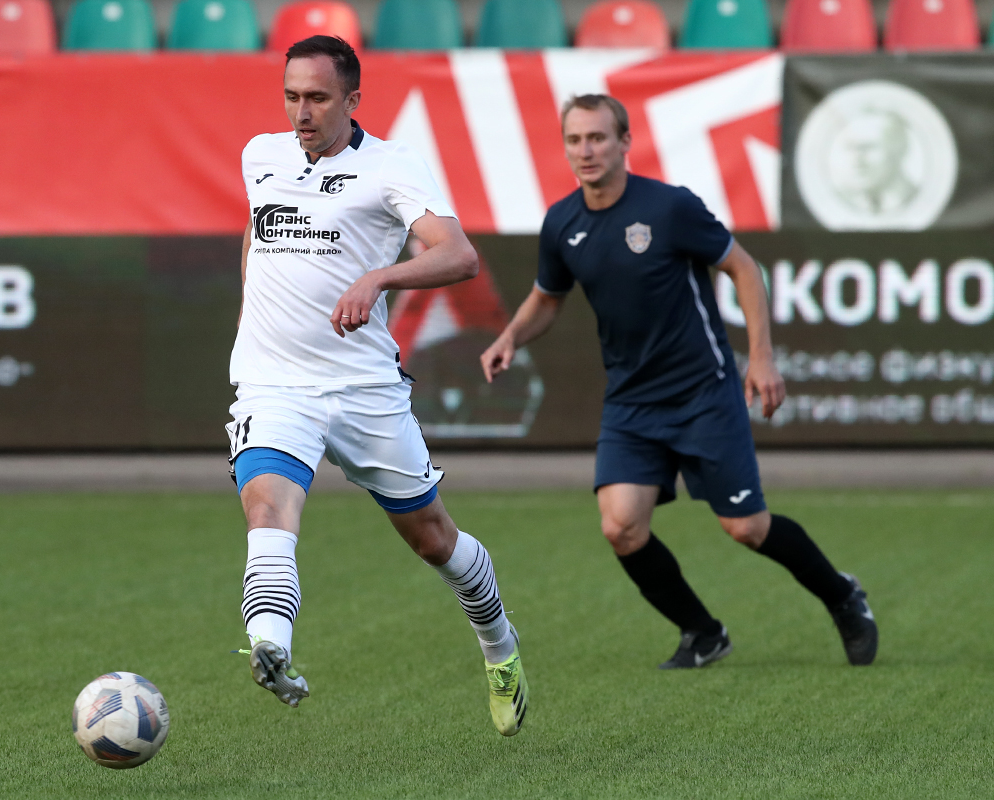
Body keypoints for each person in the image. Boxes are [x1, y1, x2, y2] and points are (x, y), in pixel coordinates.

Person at [480, 94, 878, 669]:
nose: (586, 150)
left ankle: (842, 595)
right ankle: (703, 633)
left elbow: (743, 267)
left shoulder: (670, 208)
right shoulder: (562, 222)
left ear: (625, 142)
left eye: (598, 138)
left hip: (702, 393)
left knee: (746, 527)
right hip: (631, 402)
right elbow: (548, 296)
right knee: (621, 527)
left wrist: (761, 357)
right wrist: (511, 338)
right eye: (575, 140)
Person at [227, 35, 527, 734]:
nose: (302, 112)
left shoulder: (391, 166)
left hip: (363, 389)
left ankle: (499, 643)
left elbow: (459, 255)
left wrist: (379, 277)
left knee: (433, 540)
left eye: (318, 98)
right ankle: (271, 646)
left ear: (353, 99)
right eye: (292, 97)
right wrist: (252, 310)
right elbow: (257, 229)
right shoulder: (261, 155)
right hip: (275, 385)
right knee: (268, 509)